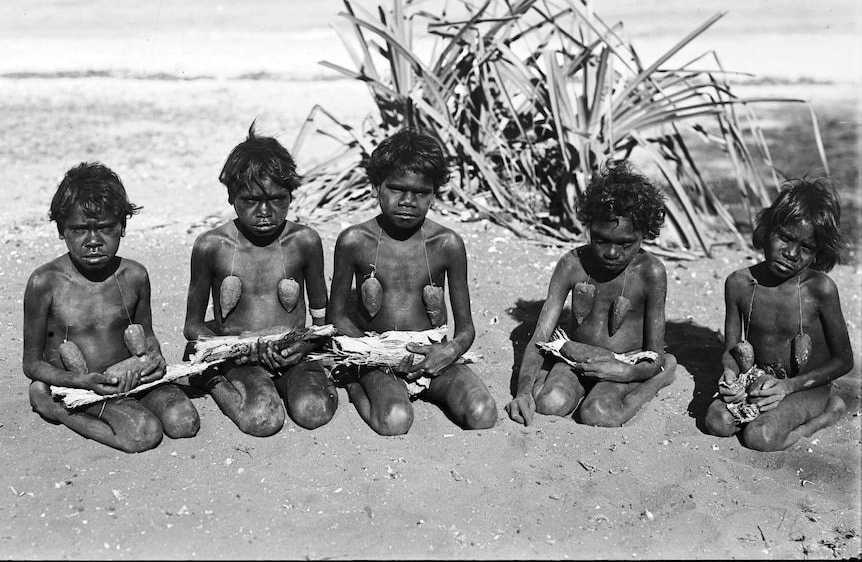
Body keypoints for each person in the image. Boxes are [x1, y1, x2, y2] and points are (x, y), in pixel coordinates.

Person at [327, 128, 497, 436]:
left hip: (433, 355)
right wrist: (378, 355)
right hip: (377, 356)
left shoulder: (447, 244)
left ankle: (423, 388)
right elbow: (336, 316)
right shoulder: (355, 241)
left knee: (483, 413)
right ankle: (355, 385)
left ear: (434, 193)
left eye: (420, 193)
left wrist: (451, 351)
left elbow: (466, 327)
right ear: (376, 187)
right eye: (396, 189)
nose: (408, 201)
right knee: (395, 420)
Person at [23, 162, 200, 452]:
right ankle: (55, 408)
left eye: (104, 228)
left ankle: (124, 404)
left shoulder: (134, 276)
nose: (93, 241)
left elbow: (147, 336)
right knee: (144, 434)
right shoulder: (44, 283)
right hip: (80, 387)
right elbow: (31, 363)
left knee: (184, 422)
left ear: (123, 226)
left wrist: (154, 359)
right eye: (79, 230)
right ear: (60, 230)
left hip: (134, 381)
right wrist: (80, 381)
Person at [183, 123, 336, 436]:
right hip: (239, 357)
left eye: (277, 199)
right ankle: (213, 380)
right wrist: (239, 349)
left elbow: (323, 317)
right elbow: (193, 327)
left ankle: (288, 382)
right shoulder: (212, 246)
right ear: (231, 197)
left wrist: (305, 345)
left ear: (292, 195)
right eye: (250, 200)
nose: (265, 212)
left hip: (292, 351)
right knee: (262, 419)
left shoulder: (304, 241)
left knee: (314, 411)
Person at [505, 160, 676, 428]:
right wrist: (523, 392)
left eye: (625, 244)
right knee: (549, 403)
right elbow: (541, 335)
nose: (610, 253)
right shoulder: (572, 264)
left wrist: (628, 372)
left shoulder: (650, 272)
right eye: (600, 239)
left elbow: (654, 354)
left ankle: (660, 380)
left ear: (645, 234)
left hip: (624, 361)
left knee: (597, 413)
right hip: (576, 355)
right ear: (589, 227)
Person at [704, 176, 852, 451]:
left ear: (818, 253)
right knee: (716, 422)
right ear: (767, 230)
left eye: (806, 247)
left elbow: (844, 360)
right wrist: (729, 374)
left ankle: (828, 413)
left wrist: (789, 387)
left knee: (760, 437)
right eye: (785, 237)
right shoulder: (739, 284)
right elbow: (732, 350)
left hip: (807, 387)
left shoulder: (820, 289)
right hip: (758, 380)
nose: (792, 253)